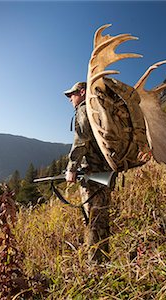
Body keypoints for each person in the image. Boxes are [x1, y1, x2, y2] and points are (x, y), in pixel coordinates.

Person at [63, 81, 114, 263]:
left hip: (92, 175)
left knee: (93, 220)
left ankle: (95, 266)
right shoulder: (99, 110)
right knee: (102, 219)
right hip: (104, 172)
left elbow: (81, 141)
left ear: (82, 92)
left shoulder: (84, 110)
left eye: (72, 94)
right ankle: (105, 260)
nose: (70, 98)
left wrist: (71, 168)